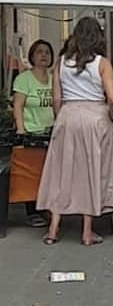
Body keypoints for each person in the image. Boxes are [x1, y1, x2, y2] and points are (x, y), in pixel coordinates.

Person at [37, 18, 113, 246]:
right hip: (95, 116)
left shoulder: (60, 63)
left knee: (61, 171)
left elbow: (56, 98)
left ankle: (53, 230)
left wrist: (62, 119)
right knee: (92, 171)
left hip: (67, 115)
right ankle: (87, 232)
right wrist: (111, 115)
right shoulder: (102, 63)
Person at [13, 40, 56, 227]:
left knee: (49, 171)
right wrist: (21, 129)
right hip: (31, 131)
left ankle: (46, 206)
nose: (43, 55)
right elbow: (18, 105)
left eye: (47, 52)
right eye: (39, 52)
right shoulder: (24, 79)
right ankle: (32, 211)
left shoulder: (54, 78)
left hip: (51, 132)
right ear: (32, 56)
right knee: (31, 173)